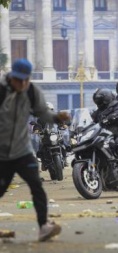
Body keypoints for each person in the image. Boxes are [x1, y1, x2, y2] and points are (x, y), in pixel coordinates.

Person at [0, 58, 69, 241]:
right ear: (11, 77)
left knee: (37, 186)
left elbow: (42, 113)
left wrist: (57, 118)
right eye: (18, 80)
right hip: (2, 154)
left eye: (26, 79)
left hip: (22, 150)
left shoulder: (32, 91)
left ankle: (44, 227)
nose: (22, 84)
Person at [31, 102, 70, 167]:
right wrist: (36, 129)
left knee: (63, 144)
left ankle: (65, 159)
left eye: (50, 110)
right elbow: (38, 125)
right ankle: (43, 163)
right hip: (46, 136)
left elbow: (61, 122)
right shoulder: (41, 119)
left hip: (55, 134)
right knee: (41, 148)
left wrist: (64, 125)